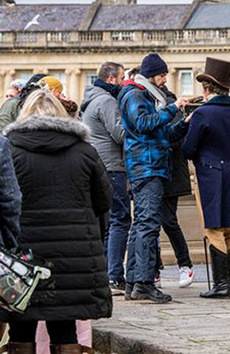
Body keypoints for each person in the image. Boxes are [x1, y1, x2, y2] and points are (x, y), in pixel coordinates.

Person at [0, 90, 112, 353]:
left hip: (23, 256)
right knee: (65, 325)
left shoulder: (11, 150)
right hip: (73, 254)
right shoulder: (85, 151)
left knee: (21, 322)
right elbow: (104, 200)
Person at [119, 53, 190, 303]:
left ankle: (133, 283)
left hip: (150, 166)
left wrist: (183, 124)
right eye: (161, 75)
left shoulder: (145, 95)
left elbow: (160, 134)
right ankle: (144, 283)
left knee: (141, 224)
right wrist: (174, 108)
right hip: (147, 168)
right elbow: (143, 124)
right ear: (151, 75)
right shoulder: (135, 95)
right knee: (148, 224)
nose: (164, 80)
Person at [182, 57, 230, 299]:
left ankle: (221, 285)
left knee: (212, 228)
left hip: (209, 174)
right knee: (228, 227)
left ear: (208, 89)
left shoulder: (202, 113)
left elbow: (188, 149)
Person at [81, 61, 130, 295]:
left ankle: (104, 275)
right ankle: (113, 277)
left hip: (97, 165)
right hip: (112, 166)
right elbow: (119, 134)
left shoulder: (91, 98)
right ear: (111, 79)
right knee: (119, 220)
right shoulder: (107, 101)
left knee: (105, 222)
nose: (123, 83)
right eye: (121, 79)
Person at [156, 84, 195, 289]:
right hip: (153, 171)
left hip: (170, 173)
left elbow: (175, 138)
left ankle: (185, 264)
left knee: (168, 221)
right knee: (150, 223)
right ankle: (154, 269)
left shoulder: (170, 106)